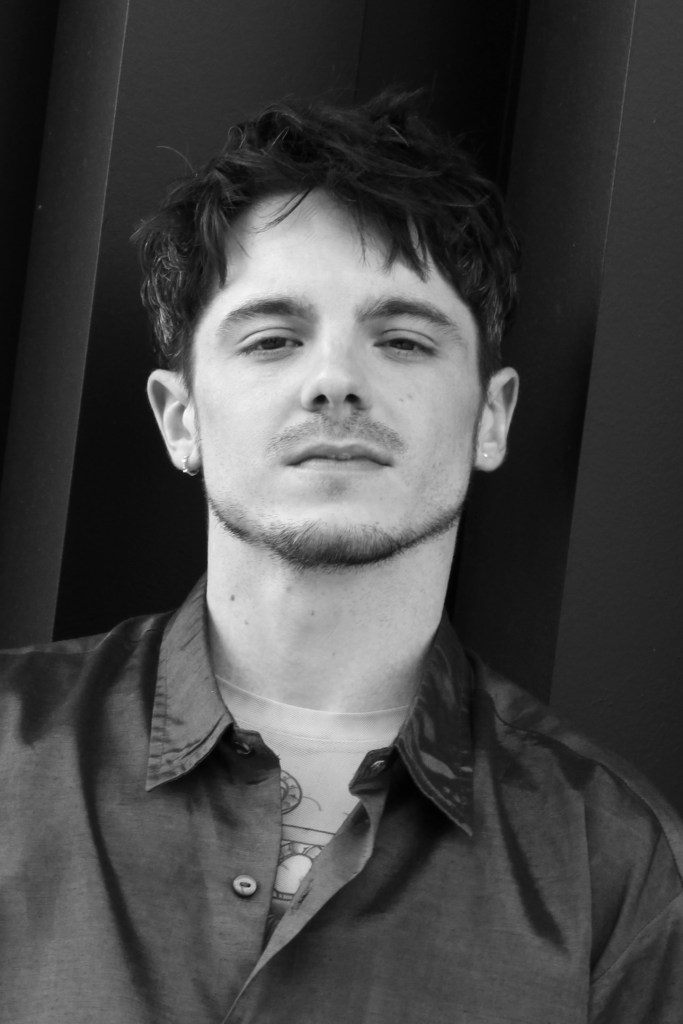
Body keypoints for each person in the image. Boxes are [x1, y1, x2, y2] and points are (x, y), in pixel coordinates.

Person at [1, 92, 681, 1024]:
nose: (334, 381)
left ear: (491, 418)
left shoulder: (616, 861)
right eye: (272, 340)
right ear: (179, 418)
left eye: (401, 340)